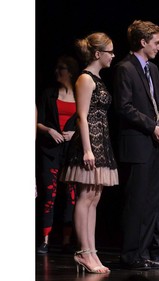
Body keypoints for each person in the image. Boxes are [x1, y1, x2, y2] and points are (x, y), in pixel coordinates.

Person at [113, 20, 159, 270]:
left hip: (154, 143)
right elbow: (124, 107)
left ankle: (143, 253)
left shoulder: (152, 69)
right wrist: (152, 127)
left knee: (152, 201)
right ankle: (131, 254)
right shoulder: (125, 68)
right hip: (137, 144)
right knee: (137, 201)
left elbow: (158, 103)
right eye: (157, 43)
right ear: (143, 42)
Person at [59, 32, 119, 274]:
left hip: (101, 141)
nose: (113, 56)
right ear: (97, 54)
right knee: (86, 196)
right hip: (88, 144)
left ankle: (91, 251)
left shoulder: (99, 79)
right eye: (110, 52)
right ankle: (83, 252)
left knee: (94, 197)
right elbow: (81, 117)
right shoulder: (85, 79)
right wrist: (87, 149)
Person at [36, 55, 80, 254]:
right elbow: (38, 121)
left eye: (61, 68)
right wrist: (49, 130)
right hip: (50, 152)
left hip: (70, 153)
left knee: (71, 197)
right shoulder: (49, 94)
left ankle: (66, 240)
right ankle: (44, 240)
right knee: (48, 194)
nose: (57, 72)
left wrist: (75, 134)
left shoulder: (80, 95)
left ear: (69, 72)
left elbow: (85, 123)